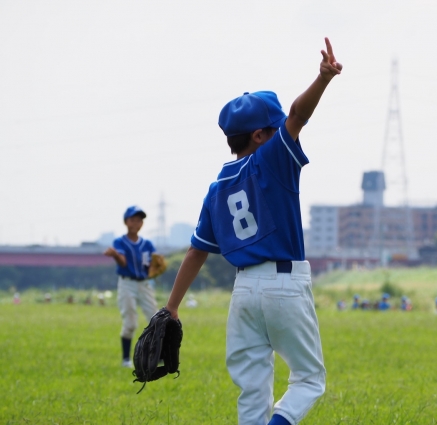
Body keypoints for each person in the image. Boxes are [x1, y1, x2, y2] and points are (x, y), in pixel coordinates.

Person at [165, 38, 342, 425]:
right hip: (284, 284)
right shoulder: (273, 159)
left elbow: (196, 252)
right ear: (260, 136)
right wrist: (323, 78)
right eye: (275, 128)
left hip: (243, 291)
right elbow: (297, 114)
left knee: (253, 391)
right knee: (309, 379)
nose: (285, 131)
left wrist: (173, 306)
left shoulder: (218, 186)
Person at [104, 206, 158, 368]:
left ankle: (158, 356)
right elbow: (124, 262)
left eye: (139, 220)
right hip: (127, 283)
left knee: (155, 319)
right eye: (133, 220)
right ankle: (126, 359)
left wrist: (156, 268)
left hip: (144, 283)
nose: (136, 223)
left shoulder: (147, 244)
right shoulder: (120, 242)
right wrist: (115, 255)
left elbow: (153, 265)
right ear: (126, 222)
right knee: (130, 322)